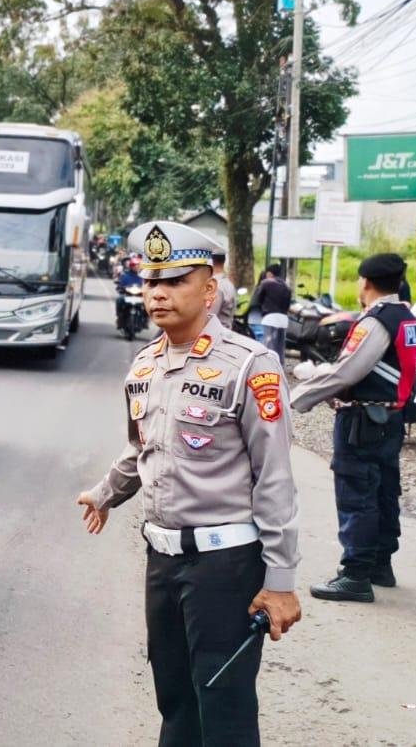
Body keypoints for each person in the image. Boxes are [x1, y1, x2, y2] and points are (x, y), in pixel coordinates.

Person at [77, 221, 301, 747]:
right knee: (174, 700)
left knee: (223, 707)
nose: (158, 292)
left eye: (176, 280)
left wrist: (282, 581)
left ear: (210, 289)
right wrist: (105, 492)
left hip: (224, 566)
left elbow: (276, 477)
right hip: (163, 561)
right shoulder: (145, 366)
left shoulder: (249, 365)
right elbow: (143, 450)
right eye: (151, 280)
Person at [289, 253, 416, 603]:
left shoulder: (376, 322)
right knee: (383, 492)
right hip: (390, 419)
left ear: (364, 282)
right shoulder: (407, 318)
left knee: (357, 494)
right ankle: (380, 564)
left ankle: (355, 575)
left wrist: (295, 400)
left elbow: (347, 372)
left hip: (363, 420)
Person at [252, 264, 292, 360]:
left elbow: (257, 299)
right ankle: (280, 368)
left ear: (269, 273)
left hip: (270, 319)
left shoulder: (266, 283)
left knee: (269, 347)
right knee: (280, 348)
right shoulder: (286, 286)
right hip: (283, 320)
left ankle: (268, 368)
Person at [211, 249, 236, 329]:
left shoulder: (215, 286)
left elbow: (210, 316)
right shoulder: (228, 284)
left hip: (215, 335)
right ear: (224, 260)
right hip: (226, 331)